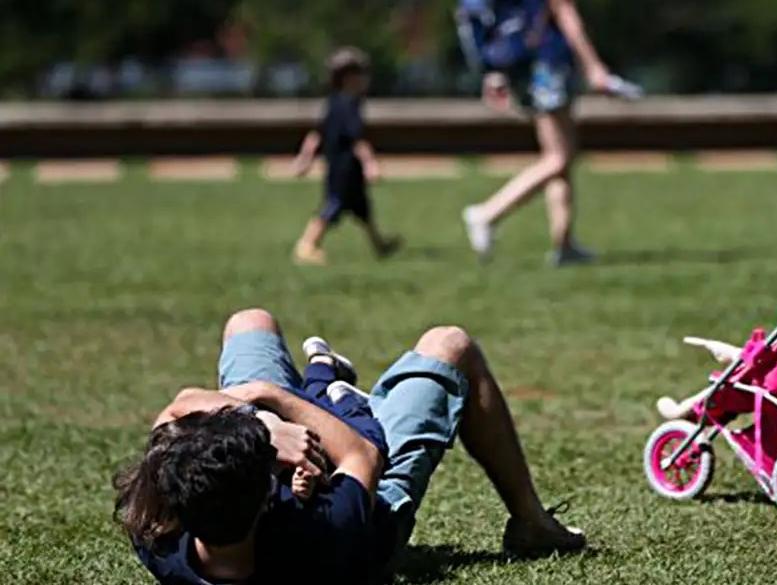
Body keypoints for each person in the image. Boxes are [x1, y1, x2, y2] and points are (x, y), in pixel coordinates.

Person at [114, 308, 584, 584]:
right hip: (372, 495)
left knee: (249, 321)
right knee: (451, 344)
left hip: (266, 462)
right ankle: (531, 523)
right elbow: (361, 454)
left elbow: (177, 409)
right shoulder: (325, 533)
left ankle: (317, 386)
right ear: (265, 498)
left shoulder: (157, 530)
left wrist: (260, 422)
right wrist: (273, 400)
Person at [457, 0, 625, 266]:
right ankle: (487, 214)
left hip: (524, 66)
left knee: (560, 156)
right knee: (558, 158)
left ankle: (564, 244)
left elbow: (477, 22)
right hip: (548, 61)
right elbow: (565, 11)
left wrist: (490, 74)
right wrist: (594, 67)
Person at [291, 47, 399, 265]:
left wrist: (305, 158)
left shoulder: (335, 102)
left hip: (344, 166)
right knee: (333, 205)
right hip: (344, 167)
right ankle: (306, 245)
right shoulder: (349, 105)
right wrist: (371, 164)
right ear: (349, 78)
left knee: (363, 209)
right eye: (361, 75)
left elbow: (315, 134)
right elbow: (357, 139)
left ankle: (380, 245)